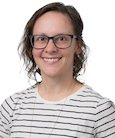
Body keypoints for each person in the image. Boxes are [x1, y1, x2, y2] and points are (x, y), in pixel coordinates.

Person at [0, 2, 115, 138]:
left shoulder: (100, 110)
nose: (50, 49)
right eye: (41, 39)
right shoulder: (12, 106)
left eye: (61, 38)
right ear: (31, 46)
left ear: (78, 45)